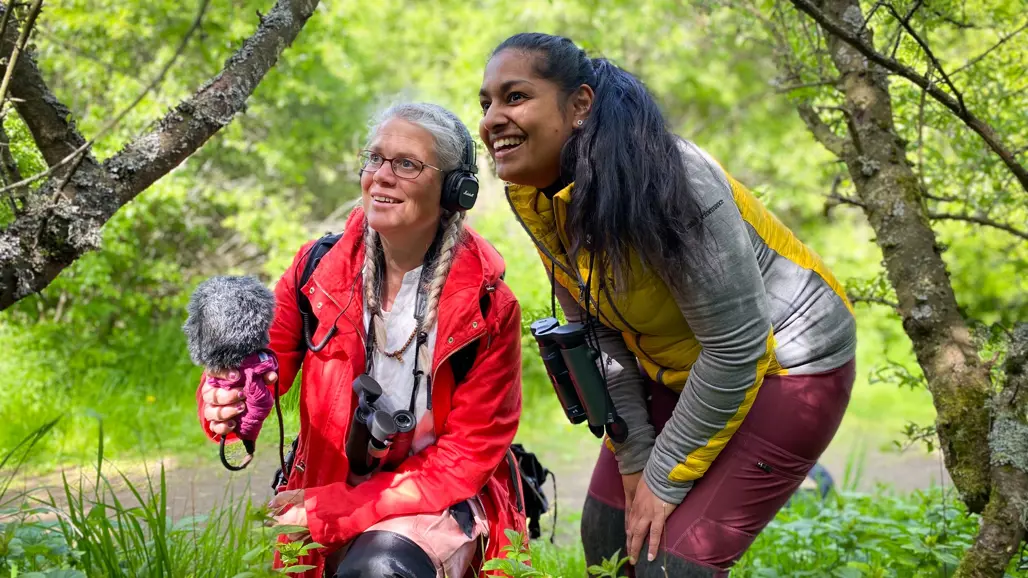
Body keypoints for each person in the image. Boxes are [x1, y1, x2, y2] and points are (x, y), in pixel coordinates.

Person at [478, 33, 857, 577]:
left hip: (786, 361)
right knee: (608, 539)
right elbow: (596, 332)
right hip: (675, 361)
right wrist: (636, 461)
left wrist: (662, 479)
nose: (492, 118)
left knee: (667, 564)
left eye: (514, 97)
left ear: (579, 104)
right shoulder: (535, 194)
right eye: (486, 102)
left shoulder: (671, 179)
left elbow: (738, 345)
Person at [196, 102, 527, 578]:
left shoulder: (488, 306)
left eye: (407, 164)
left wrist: (341, 508)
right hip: (327, 483)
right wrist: (233, 399)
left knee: (377, 570)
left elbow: (466, 456)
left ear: (455, 190)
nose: (382, 176)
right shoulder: (317, 270)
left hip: (431, 497)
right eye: (374, 158)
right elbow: (267, 363)